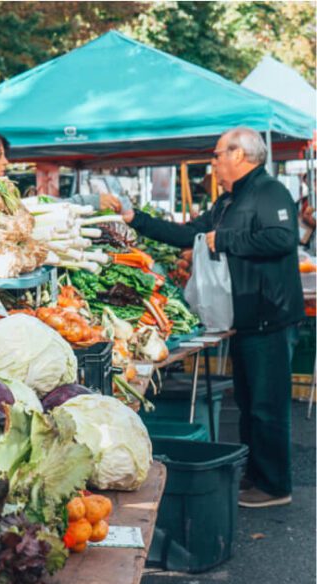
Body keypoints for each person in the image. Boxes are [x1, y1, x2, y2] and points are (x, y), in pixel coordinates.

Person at [121, 126, 305, 508]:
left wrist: (224, 240)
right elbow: (187, 234)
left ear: (239, 154)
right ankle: (255, 476)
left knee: (267, 407)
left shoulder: (270, 192)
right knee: (250, 405)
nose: (214, 161)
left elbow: (282, 238)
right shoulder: (228, 201)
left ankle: (275, 487)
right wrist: (134, 217)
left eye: (218, 154)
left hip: (270, 318)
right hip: (244, 321)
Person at [0, 129, 123, 212]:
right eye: (0, 155)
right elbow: (29, 210)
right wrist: (86, 202)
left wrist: (86, 201)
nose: (6, 162)